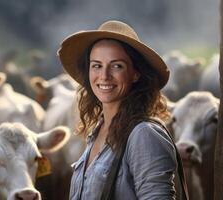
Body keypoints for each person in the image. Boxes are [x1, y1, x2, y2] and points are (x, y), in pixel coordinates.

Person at [57, 20, 187, 199]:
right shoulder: (97, 131)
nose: (104, 76)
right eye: (97, 65)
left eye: (117, 66)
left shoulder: (144, 134)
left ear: (135, 73)